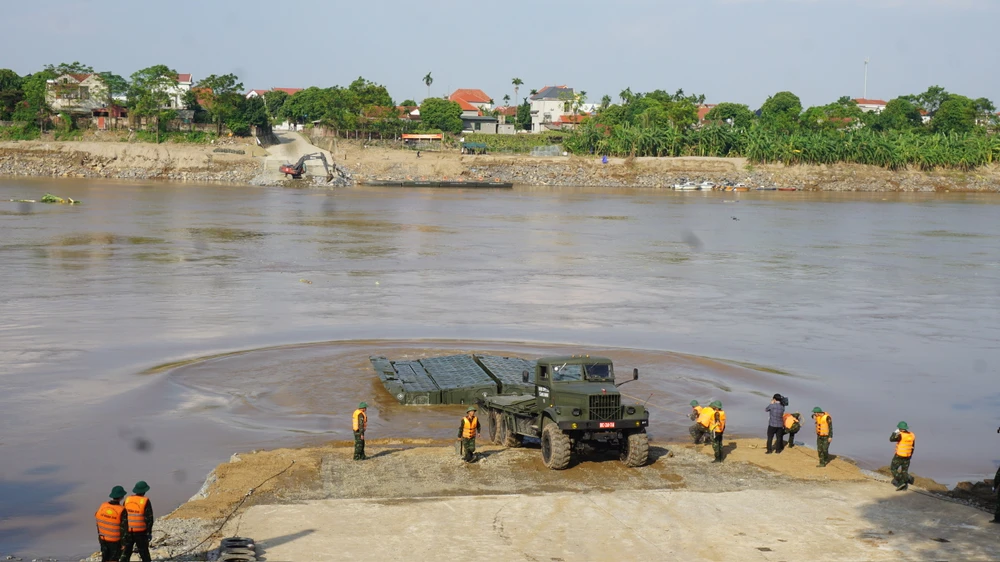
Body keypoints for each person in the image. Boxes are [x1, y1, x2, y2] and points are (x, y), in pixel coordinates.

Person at [120, 481, 153, 562]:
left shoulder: (127, 499)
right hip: (140, 532)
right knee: (144, 552)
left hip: (128, 531)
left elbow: (123, 516)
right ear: (144, 491)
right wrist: (148, 533)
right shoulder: (145, 501)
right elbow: (149, 518)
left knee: (126, 553)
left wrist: (122, 532)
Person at [95, 486, 127, 562]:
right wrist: (123, 543)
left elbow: (98, 521)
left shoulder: (103, 506)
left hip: (103, 538)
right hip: (115, 541)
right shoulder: (121, 510)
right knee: (113, 559)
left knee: (105, 558)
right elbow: (124, 528)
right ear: (121, 497)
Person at [889, 421, 915, 490]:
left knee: (893, 469)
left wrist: (895, 433)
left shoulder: (900, 435)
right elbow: (913, 446)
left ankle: (901, 481)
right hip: (907, 456)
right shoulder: (912, 435)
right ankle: (904, 483)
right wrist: (910, 455)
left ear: (900, 428)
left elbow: (891, 439)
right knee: (904, 471)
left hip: (899, 456)